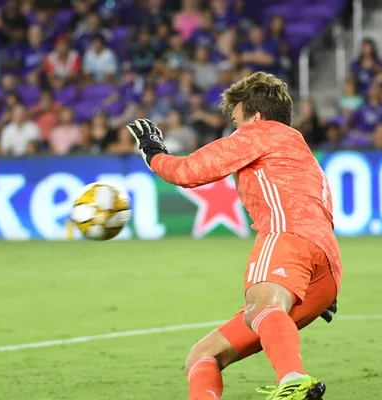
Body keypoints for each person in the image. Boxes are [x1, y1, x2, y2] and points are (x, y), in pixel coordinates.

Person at [127, 71, 341, 400]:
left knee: (260, 308)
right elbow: (321, 204)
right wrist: (319, 282)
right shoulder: (299, 148)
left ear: (256, 117)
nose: (235, 127)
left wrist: (154, 153)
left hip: (285, 236)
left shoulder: (259, 133)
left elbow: (188, 172)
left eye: (237, 118)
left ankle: (293, 379)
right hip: (324, 264)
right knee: (203, 355)